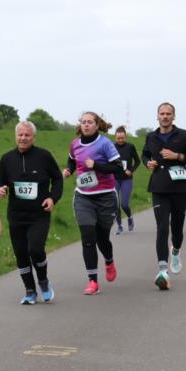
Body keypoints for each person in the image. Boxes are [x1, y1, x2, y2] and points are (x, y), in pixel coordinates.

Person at [0, 120, 63, 303]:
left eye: (27, 135)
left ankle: (43, 281)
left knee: (35, 249)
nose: (23, 138)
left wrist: (52, 198)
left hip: (39, 215)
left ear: (33, 137)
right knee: (21, 254)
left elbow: (57, 179)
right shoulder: (7, 159)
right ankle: (29, 291)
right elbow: (0, 182)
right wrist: (0, 190)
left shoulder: (44, 156)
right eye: (20, 135)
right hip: (16, 215)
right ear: (15, 136)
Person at [62, 111, 123, 295]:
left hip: (105, 197)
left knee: (102, 238)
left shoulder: (105, 144)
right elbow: (72, 161)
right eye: (83, 122)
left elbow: (118, 168)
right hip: (84, 197)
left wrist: (95, 165)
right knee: (88, 238)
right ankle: (92, 281)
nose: (86, 125)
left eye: (90, 122)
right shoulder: (75, 144)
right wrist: (68, 170)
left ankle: (109, 261)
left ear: (97, 125)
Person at [142, 102, 186, 290]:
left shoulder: (183, 135)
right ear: (157, 116)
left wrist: (178, 157)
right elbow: (145, 155)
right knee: (161, 228)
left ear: (173, 116)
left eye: (168, 114)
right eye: (162, 113)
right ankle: (162, 270)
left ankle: (175, 251)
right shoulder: (151, 136)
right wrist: (148, 163)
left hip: (179, 188)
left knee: (176, 229)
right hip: (159, 187)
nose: (165, 116)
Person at [111, 126, 140, 234]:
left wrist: (131, 170)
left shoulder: (130, 147)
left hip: (126, 179)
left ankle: (130, 217)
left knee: (124, 204)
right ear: (115, 137)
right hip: (114, 179)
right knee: (115, 204)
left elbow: (137, 161)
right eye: (118, 138)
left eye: (122, 138)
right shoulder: (111, 147)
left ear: (125, 137)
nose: (120, 140)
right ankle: (119, 226)